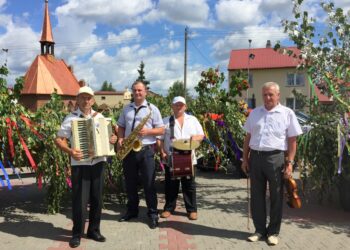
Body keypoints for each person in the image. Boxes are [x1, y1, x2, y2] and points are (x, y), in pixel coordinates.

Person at [241, 82, 302, 246]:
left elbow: (292, 140)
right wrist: (245, 159)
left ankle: (273, 232)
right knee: (256, 196)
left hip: (276, 159)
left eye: (271, 94)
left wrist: (289, 163)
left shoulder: (287, 113)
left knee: (276, 196)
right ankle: (259, 230)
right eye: (265, 94)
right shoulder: (254, 113)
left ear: (278, 96)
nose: (267, 98)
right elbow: (247, 138)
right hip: (256, 158)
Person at [55, 86, 113, 248]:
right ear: (78, 100)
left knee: (97, 198)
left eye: (88, 98)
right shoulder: (71, 118)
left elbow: (109, 138)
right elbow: (59, 139)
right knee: (80, 200)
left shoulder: (100, 117)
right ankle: (76, 233)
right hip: (80, 164)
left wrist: (113, 139)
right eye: (82, 97)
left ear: (93, 100)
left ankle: (94, 230)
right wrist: (70, 151)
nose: (86, 101)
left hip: (98, 163)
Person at [116, 81, 164, 229]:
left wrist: (148, 132)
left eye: (140, 90)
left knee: (149, 184)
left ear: (146, 92)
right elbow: (121, 126)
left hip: (146, 150)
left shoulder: (152, 109)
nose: (137, 93)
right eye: (135, 90)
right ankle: (132, 211)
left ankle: (153, 214)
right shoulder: (126, 108)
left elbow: (161, 129)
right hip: (129, 150)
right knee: (130, 183)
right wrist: (120, 138)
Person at [157, 96, 204, 220]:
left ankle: (192, 210)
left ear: (185, 106)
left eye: (181, 104)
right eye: (176, 104)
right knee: (171, 185)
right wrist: (162, 152)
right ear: (172, 106)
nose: (179, 106)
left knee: (189, 185)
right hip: (171, 158)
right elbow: (159, 139)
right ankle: (168, 208)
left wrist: (196, 138)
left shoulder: (193, 120)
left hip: (189, 157)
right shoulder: (165, 121)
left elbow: (201, 135)